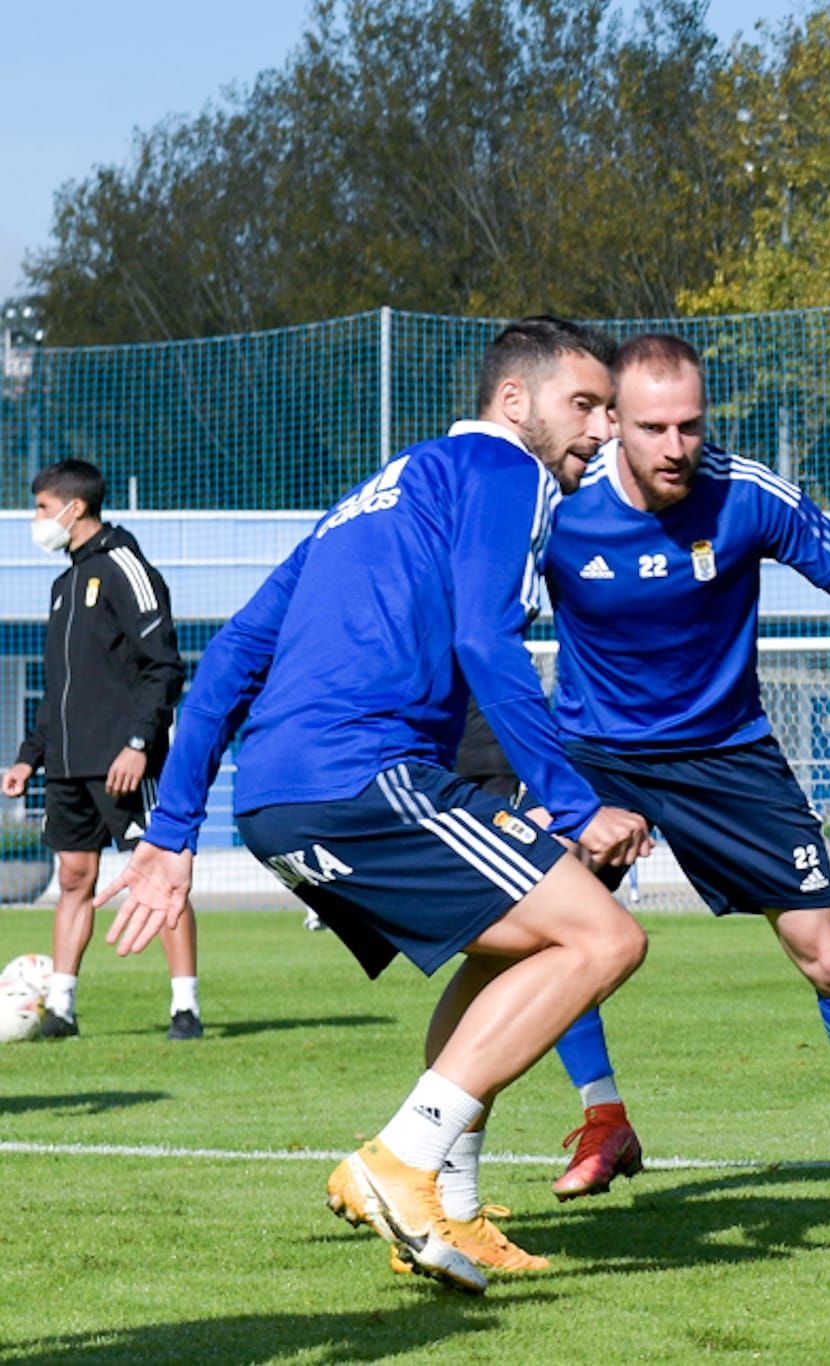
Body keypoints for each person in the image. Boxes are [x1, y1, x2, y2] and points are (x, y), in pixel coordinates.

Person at [98, 317, 658, 1293]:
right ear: (514, 401)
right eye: (585, 405)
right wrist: (572, 800)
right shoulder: (504, 473)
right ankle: (401, 1156)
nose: (604, 429)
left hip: (282, 795)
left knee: (504, 947)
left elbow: (232, 653)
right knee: (606, 939)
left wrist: (175, 832)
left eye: (612, 410)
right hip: (363, 773)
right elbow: (488, 641)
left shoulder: (373, 493)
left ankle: (449, 1207)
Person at [538, 332, 830, 1201]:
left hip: (727, 753)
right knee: (554, 930)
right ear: (614, 421)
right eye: (652, 427)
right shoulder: (554, 504)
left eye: (690, 424)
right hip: (594, 753)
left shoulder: (746, 495)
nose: (676, 447)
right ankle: (603, 1118)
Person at [2, 460, 195, 1040]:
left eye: (40, 508)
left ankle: (185, 1007)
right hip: (66, 766)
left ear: (74, 508)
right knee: (73, 878)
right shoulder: (65, 584)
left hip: (122, 764)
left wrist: (138, 744)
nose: (35, 520)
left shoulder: (124, 567)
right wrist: (28, 757)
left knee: (159, 875)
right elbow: (61, 686)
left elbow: (163, 667)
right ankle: (60, 1007)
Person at [453, 701, 646, 1203]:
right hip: (434, 755)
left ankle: (604, 1118)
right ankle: (455, 1201)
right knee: (517, 956)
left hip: (579, 742)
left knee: (557, 937)